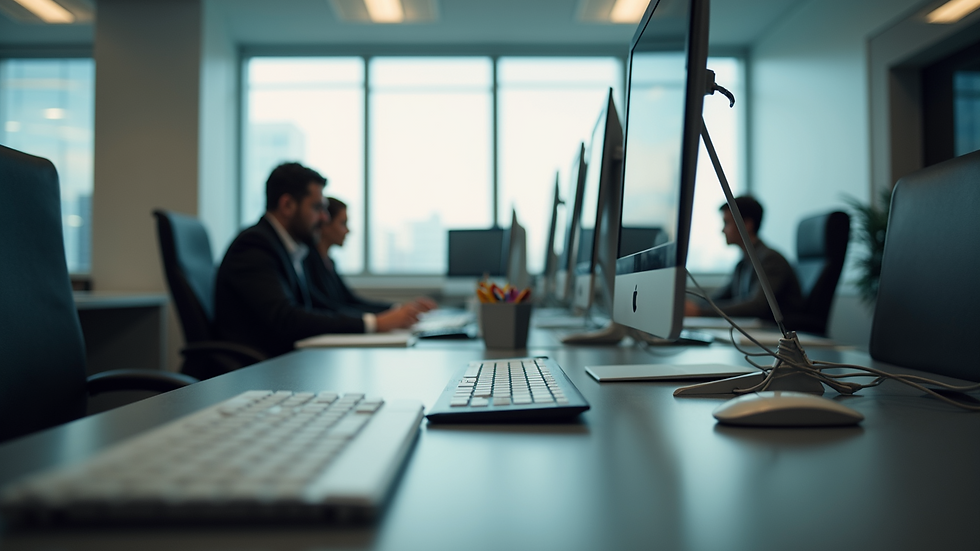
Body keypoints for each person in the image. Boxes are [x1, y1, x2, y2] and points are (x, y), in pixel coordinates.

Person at [215, 162, 426, 358]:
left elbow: (322, 306)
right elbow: (286, 318)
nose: (324, 218)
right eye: (317, 208)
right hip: (256, 369)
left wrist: (383, 318)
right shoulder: (255, 245)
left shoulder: (289, 248)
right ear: (287, 205)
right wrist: (373, 323)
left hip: (284, 362)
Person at [307, 196, 436, 317]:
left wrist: (399, 309)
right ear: (325, 224)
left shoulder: (328, 262)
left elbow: (351, 300)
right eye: (343, 223)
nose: (348, 230)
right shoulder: (308, 261)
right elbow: (331, 308)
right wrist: (379, 320)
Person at [685, 196, 803, 323]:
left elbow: (757, 306)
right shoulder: (743, 263)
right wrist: (693, 306)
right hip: (760, 329)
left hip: (780, 333)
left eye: (727, 223)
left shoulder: (771, 260)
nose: (722, 230)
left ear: (747, 224)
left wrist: (701, 312)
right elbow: (720, 297)